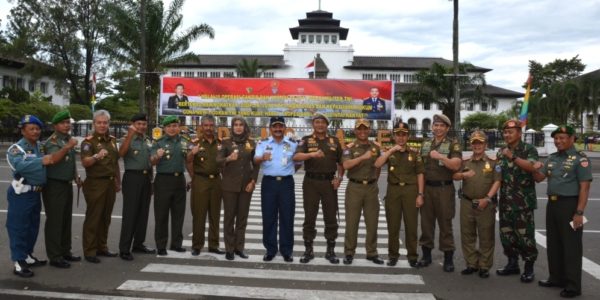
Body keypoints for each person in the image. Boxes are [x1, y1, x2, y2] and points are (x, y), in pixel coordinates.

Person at [533, 125, 592, 298]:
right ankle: (556, 277)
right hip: (553, 205)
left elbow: (585, 188)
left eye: (562, 138)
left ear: (572, 139)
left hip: (570, 205)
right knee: (554, 244)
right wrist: (534, 166)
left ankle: (573, 286)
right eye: (556, 138)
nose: (558, 141)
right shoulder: (552, 158)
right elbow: (539, 178)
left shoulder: (580, 159)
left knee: (571, 246)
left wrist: (579, 213)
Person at [7, 115, 56, 277]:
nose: (36, 132)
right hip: (21, 193)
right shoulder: (16, 149)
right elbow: (19, 165)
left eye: (37, 128)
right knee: (18, 227)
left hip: (36, 193)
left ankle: (27, 255)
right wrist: (42, 161)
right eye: (31, 129)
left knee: (32, 227)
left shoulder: (40, 147)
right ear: (23, 131)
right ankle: (18, 262)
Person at [293, 113, 344, 264]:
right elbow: (296, 157)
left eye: (323, 122)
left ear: (327, 125)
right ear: (313, 125)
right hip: (311, 182)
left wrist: (339, 178)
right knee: (310, 217)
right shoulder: (306, 140)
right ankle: (308, 250)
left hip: (329, 183)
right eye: (317, 122)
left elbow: (341, 163)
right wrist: (312, 155)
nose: (320, 125)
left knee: (331, 217)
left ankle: (331, 251)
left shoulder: (334, 141)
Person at [374, 121, 424, 268]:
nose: (401, 138)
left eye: (404, 135)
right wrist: (390, 151)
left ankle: (412, 256)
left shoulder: (415, 153)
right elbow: (377, 164)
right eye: (398, 135)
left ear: (408, 136)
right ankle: (393, 255)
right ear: (394, 137)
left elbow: (420, 174)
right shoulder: (390, 152)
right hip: (393, 191)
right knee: (393, 225)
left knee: (411, 225)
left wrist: (420, 194)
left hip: (410, 190)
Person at [452, 130, 501, 278]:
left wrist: (487, 199)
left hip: (485, 204)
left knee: (486, 235)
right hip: (467, 203)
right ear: (471, 145)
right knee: (467, 235)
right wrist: (462, 175)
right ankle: (471, 264)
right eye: (474, 143)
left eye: (480, 143)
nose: (477, 146)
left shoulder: (493, 162)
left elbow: (497, 181)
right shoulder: (465, 162)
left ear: (485, 144)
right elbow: (454, 176)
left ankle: (484, 266)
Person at [495, 119, 539, 283]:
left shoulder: (529, 149)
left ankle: (529, 267)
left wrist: (512, 156)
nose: (507, 135)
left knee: (525, 236)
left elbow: (532, 167)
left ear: (519, 133)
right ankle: (512, 263)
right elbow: (497, 175)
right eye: (505, 132)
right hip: (505, 201)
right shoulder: (501, 151)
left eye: (510, 132)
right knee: (507, 234)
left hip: (523, 204)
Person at [417, 113, 462, 271]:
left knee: (445, 224)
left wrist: (441, 157)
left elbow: (456, 165)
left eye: (442, 125)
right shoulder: (425, 143)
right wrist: (420, 194)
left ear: (447, 128)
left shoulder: (453, 144)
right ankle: (426, 256)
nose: (438, 128)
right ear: (432, 127)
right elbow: (421, 170)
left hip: (444, 189)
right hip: (427, 189)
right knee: (426, 224)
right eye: (436, 125)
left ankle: (448, 258)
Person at [254, 116, 298, 262]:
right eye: (275, 127)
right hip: (269, 184)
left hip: (286, 183)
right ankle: (270, 250)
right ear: (270, 128)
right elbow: (255, 159)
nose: (278, 129)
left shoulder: (292, 144)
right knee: (269, 217)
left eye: (280, 126)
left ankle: (287, 251)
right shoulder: (263, 143)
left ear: (284, 128)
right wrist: (262, 158)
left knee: (287, 217)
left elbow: (298, 161)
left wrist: (289, 170)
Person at [216, 116, 259, 260]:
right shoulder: (226, 142)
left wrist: (253, 181)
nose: (238, 127)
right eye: (236, 125)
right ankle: (229, 249)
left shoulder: (251, 143)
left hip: (245, 186)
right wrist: (228, 159)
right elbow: (218, 161)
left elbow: (256, 164)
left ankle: (239, 248)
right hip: (229, 186)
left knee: (242, 218)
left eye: (241, 125)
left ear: (245, 127)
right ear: (232, 127)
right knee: (229, 218)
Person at [341, 119, 383, 265]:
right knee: (352, 222)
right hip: (355, 187)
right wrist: (362, 157)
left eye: (365, 128)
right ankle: (349, 252)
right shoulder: (349, 147)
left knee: (372, 222)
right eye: (360, 129)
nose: (363, 131)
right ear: (355, 131)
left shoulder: (375, 147)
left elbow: (378, 166)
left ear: (370, 130)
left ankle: (372, 252)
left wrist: (374, 180)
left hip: (371, 188)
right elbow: (346, 164)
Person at [80, 110, 121, 263]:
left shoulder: (112, 140)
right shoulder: (88, 142)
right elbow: (85, 162)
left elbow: (115, 162)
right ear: (94, 124)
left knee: (105, 217)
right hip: (95, 183)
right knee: (93, 217)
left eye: (105, 122)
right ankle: (90, 251)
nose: (102, 125)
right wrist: (97, 156)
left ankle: (102, 247)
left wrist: (118, 181)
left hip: (110, 182)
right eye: (99, 122)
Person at [42, 111, 81, 269]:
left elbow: (69, 162)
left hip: (66, 184)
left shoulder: (67, 140)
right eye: (63, 122)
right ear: (55, 125)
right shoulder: (52, 142)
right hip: (54, 185)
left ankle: (65, 251)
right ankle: (55, 256)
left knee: (65, 220)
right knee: (55, 221)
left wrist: (76, 176)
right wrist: (67, 147)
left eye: (68, 122)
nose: (67, 125)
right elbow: (53, 160)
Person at [151, 115, 193, 255]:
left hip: (179, 180)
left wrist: (193, 177)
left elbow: (188, 161)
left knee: (178, 214)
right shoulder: (158, 142)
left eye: (174, 126)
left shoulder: (185, 141)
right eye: (168, 126)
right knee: (161, 215)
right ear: (164, 128)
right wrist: (157, 156)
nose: (172, 129)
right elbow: (151, 162)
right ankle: (161, 245)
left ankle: (176, 244)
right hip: (163, 181)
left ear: (179, 127)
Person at [117, 113, 155, 261]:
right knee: (130, 214)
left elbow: (149, 162)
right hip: (132, 178)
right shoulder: (127, 139)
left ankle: (138, 243)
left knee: (143, 213)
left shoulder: (146, 140)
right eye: (138, 124)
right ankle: (124, 248)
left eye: (144, 124)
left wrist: (151, 182)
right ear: (132, 124)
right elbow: (121, 153)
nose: (141, 126)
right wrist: (129, 135)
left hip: (146, 178)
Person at [188, 115, 225, 256]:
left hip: (216, 181)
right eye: (206, 125)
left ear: (214, 126)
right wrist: (194, 177)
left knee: (215, 214)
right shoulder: (195, 142)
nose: (209, 128)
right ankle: (197, 245)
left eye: (211, 125)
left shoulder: (220, 143)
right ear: (201, 127)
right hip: (200, 181)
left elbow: (224, 163)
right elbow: (188, 161)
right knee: (199, 214)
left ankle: (214, 245)